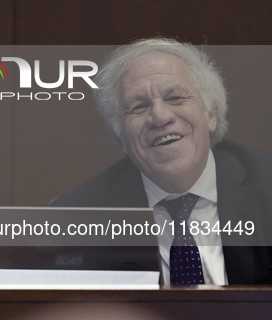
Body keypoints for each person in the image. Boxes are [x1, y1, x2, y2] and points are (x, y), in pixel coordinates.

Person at [50, 38, 272, 285]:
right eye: (139, 106)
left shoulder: (266, 185)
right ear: (119, 137)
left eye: (175, 98)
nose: (160, 116)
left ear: (210, 114)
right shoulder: (76, 220)